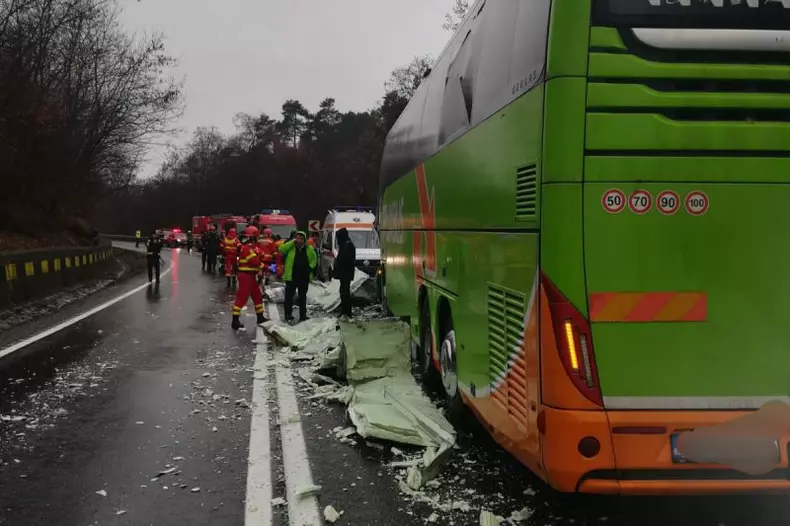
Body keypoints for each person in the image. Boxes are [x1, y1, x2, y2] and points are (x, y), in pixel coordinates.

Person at [232, 226, 266, 330]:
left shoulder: (251, 248)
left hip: (251, 276)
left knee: (257, 296)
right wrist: (263, 266)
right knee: (242, 298)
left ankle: (260, 317)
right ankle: (235, 321)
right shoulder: (247, 248)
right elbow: (254, 261)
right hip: (246, 276)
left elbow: (261, 254)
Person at [279, 231, 317, 323]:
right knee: (289, 297)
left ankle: (303, 315)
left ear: (304, 240)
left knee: (302, 297)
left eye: (301, 238)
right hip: (291, 276)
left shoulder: (310, 249)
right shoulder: (291, 247)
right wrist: (292, 242)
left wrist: (310, 268)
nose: (299, 240)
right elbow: (281, 249)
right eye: (297, 238)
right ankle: (288, 315)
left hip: (304, 277)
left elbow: (314, 259)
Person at [334, 227, 356, 319]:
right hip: (344, 273)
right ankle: (344, 311)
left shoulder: (348, 245)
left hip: (346, 273)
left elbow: (346, 260)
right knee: (343, 292)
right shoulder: (345, 244)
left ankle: (347, 312)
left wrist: (339, 263)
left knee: (345, 293)